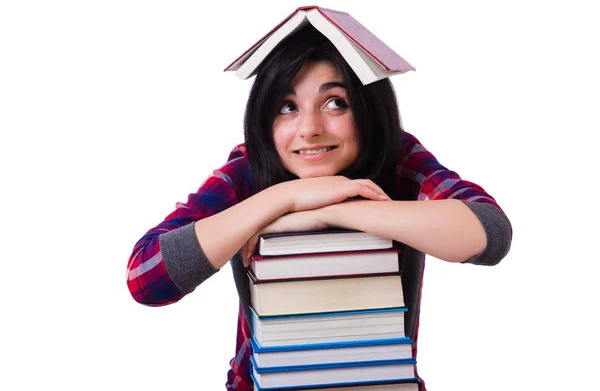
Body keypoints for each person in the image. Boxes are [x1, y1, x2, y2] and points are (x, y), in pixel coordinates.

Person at [126, 23, 512, 391]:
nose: (309, 128)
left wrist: (333, 208)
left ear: (368, 109)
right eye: (287, 107)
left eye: (334, 103)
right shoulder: (249, 171)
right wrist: (282, 199)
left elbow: (489, 234)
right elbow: (147, 278)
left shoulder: (399, 157)